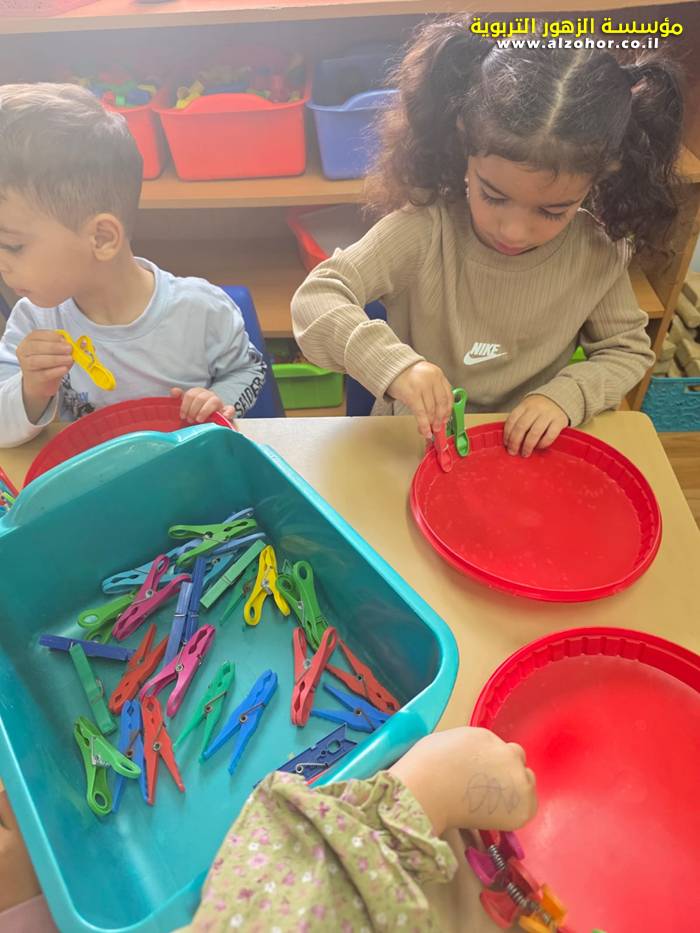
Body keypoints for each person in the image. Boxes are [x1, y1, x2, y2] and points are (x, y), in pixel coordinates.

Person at [291, 16, 685, 456]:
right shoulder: (422, 229)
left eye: (553, 210)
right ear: (466, 147)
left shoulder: (598, 250)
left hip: (526, 451)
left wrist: (566, 396)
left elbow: (626, 351)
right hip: (417, 443)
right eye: (493, 196)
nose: (513, 231)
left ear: (601, 176)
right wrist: (394, 365)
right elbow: (316, 299)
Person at [0, 83, 266, 449]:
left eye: (13, 246)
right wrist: (31, 390)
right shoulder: (33, 321)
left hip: (185, 468)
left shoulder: (201, 311)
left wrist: (220, 401)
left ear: (102, 238)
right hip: (92, 473)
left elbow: (248, 370)